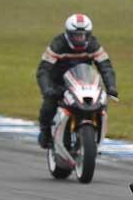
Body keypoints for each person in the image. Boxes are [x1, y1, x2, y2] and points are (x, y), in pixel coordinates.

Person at [36, 13, 118, 148]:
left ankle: (96, 133)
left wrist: (111, 87)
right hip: (60, 83)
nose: (80, 38)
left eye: (84, 35)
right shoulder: (58, 45)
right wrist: (47, 89)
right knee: (48, 104)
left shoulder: (93, 44)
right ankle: (45, 133)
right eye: (76, 35)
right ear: (68, 34)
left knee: (101, 102)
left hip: (85, 82)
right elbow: (43, 70)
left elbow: (105, 66)